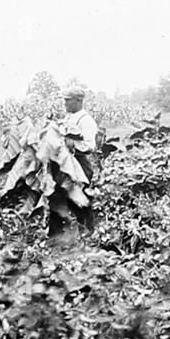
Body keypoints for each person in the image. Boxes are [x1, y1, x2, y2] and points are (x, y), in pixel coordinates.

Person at [51, 85, 101, 235]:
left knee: (83, 197)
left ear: (78, 101)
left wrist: (73, 145)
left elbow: (89, 146)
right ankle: (77, 230)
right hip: (68, 163)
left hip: (80, 162)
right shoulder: (69, 117)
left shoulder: (86, 121)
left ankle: (88, 231)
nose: (65, 103)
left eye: (68, 100)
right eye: (64, 100)